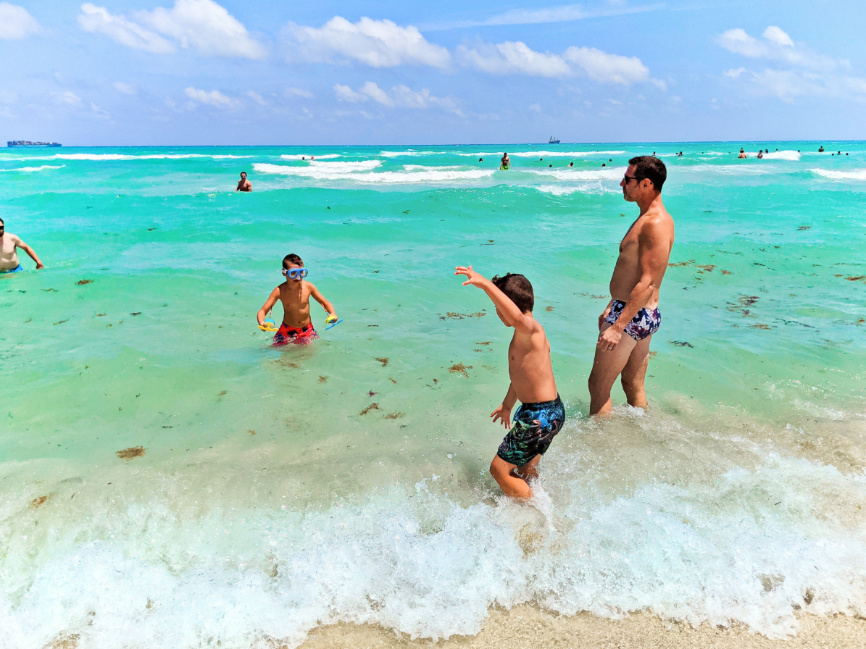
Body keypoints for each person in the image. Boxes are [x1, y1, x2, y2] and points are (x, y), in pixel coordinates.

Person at [454, 266, 565, 500]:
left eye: (498, 307)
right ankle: (537, 502)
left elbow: (515, 316)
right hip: (549, 411)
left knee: (499, 469)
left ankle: (539, 513)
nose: (497, 312)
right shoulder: (527, 336)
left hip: (539, 415)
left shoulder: (529, 327)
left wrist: (485, 284)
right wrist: (507, 405)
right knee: (525, 469)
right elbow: (520, 378)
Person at [588, 156, 675, 416]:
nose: (621, 184)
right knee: (632, 384)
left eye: (627, 179)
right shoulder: (648, 218)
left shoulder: (655, 223)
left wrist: (618, 325)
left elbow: (648, 280)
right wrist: (611, 304)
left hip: (632, 314)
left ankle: (600, 447)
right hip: (639, 312)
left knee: (598, 387)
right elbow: (633, 271)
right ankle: (642, 436)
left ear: (647, 184)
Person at [257, 253, 336, 345]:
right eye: (293, 273)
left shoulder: (308, 287)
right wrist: (262, 322)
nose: (298, 277)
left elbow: (325, 303)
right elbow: (262, 311)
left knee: (306, 354)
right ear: (284, 273)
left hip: (306, 329)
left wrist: (332, 313)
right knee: (275, 352)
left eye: (301, 272)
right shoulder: (279, 291)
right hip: (287, 329)